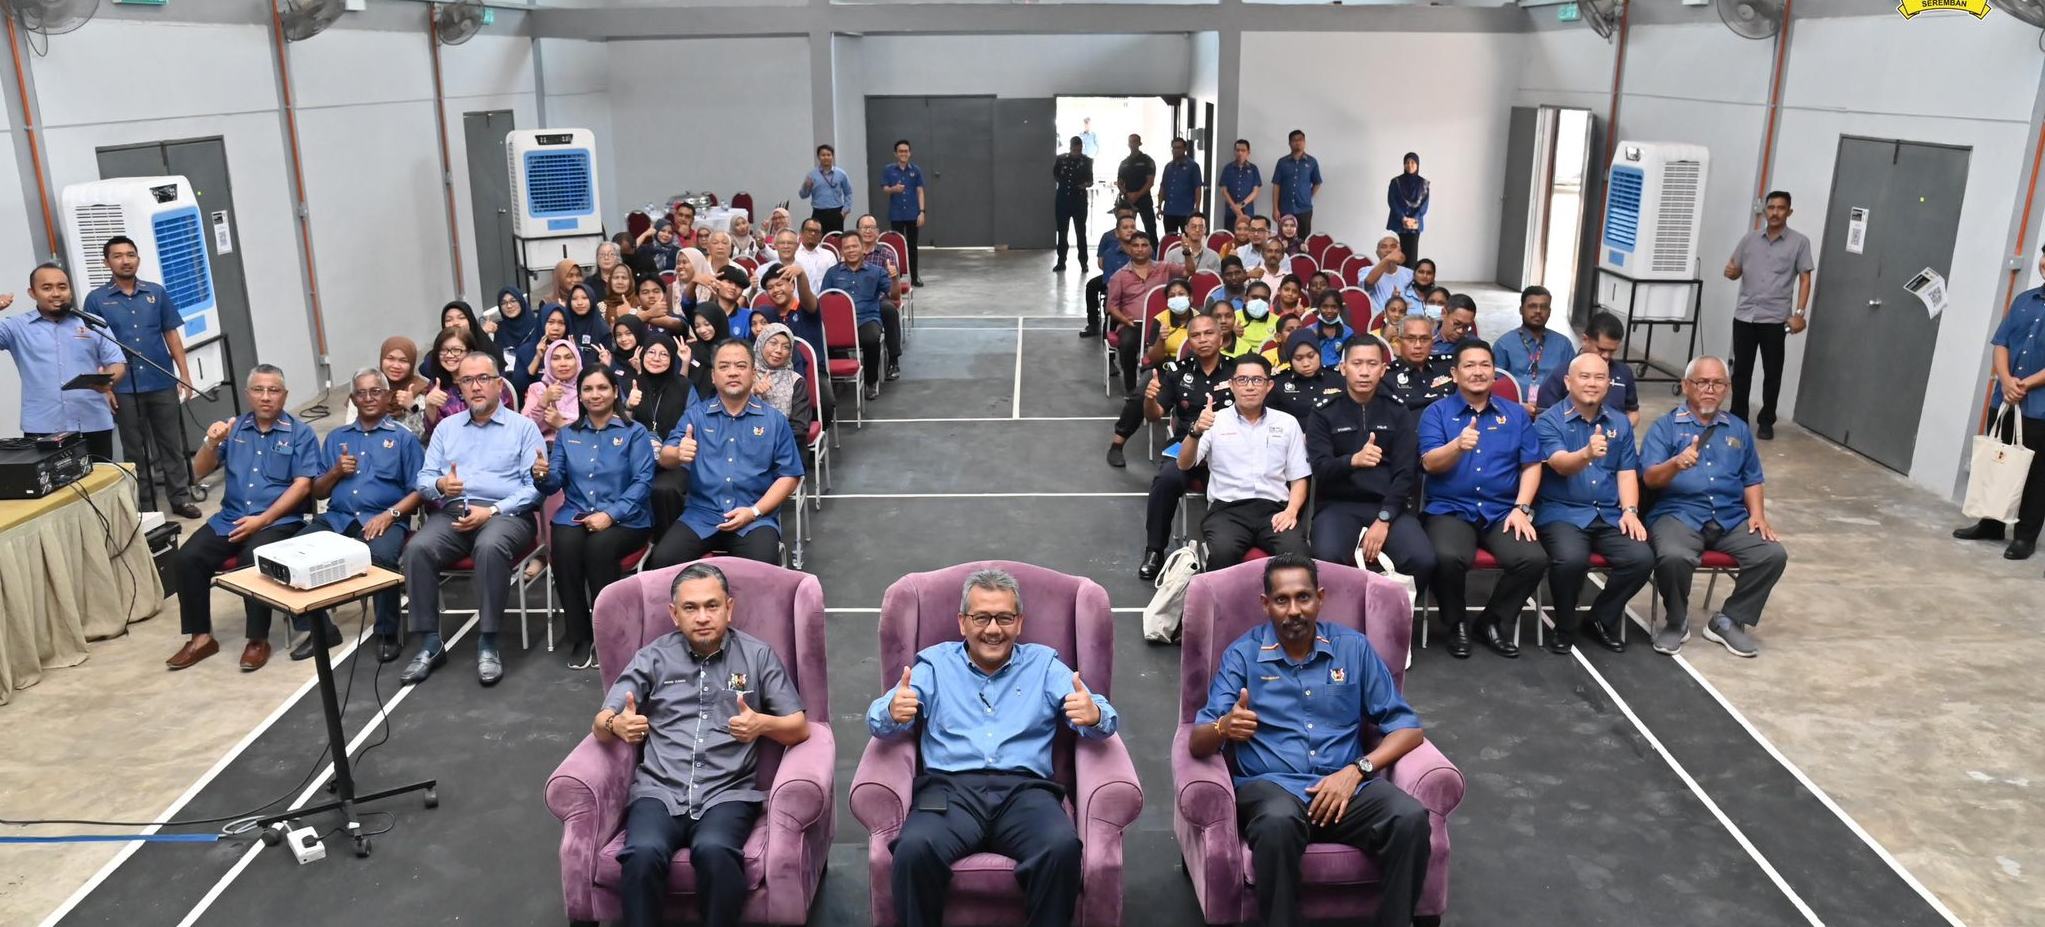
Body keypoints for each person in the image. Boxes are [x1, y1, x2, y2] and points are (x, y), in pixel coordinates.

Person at [1189, 554, 1432, 927]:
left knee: (1410, 818)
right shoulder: (1243, 655)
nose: (1294, 610)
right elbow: (1197, 742)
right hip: (1273, 788)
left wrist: (1358, 770)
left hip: (1346, 787)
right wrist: (1224, 727)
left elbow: (1408, 729)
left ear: (1320, 598)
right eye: (1282, 600)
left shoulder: (1353, 648)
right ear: (1265, 604)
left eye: (1303, 597)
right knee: (1277, 823)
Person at [865, 568, 1117, 927]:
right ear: (963, 622)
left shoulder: (1044, 664)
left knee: (1061, 849)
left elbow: (1102, 714)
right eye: (981, 617)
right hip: (950, 793)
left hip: (1025, 792)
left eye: (1005, 618)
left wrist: (1093, 715)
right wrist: (892, 710)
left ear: (1020, 622)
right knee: (913, 851)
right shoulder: (935, 664)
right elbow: (877, 719)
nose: (993, 629)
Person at [596, 563, 809, 927]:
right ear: (674, 614)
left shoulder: (757, 656)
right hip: (659, 791)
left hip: (726, 793)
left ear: (729, 607)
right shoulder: (653, 657)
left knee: (716, 852)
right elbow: (601, 723)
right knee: (643, 853)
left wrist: (763, 724)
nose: (703, 617)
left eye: (712, 606)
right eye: (691, 608)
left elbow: (800, 726)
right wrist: (617, 724)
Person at [401, 352, 545, 687]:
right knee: (417, 548)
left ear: (499, 384)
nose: (476, 386)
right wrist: (441, 484)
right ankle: (430, 644)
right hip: (455, 511)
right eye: (467, 380)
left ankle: (489, 642)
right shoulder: (446, 428)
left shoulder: (523, 428)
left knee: (489, 546)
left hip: (508, 514)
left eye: (483, 378)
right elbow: (423, 480)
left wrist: (492, 511)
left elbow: (535, 489)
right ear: (459, 387)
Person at [164, 364, 320, 672]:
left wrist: (262, 520)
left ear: (285, 395)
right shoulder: (233, 429)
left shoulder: (300, 434)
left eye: (273, 390)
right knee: (187, 558)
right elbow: (198, 472)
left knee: (253, 558)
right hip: (231, 518)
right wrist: (211, 443)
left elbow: (303, 485)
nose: (266, 397)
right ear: (248, 394)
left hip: (279, 522)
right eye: (259, 390)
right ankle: (200, 637)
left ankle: (257, 640)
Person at [1640, 356, 1788, 658]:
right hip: (1678, 513)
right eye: (1702, 382)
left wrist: (1758, 515)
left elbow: (1752, 479)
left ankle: (1728, 619)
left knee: (1772, 554)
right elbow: (1650, 479)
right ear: (1686, 386)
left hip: (1730, 516)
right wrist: (1675, 463)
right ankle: (1676, 621)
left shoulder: (1738, 429)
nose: (1710, 389)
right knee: (1673, 555)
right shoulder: (1665, 428)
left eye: (1718, 383)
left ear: (1727, 388)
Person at [1419, 339, 1546, 660]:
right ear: (1454, 373)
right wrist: (1456, 446)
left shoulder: (1516, 414)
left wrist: (1521, 508)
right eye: (1469, 365)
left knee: (1532, 559)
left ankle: (1491, 621)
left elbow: (1532, 465)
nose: (1478, 372)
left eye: (1485, 365)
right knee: (1447, 557)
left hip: (1502, 510)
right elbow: (1429, 463)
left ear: (1494, 372)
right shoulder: (1436, 412)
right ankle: (1456, 623)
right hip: (1451, 508)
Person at [538, 366, 657, 670]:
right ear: (579, 395)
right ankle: (580, 635)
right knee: (564, 546)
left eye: (602, 387)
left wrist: (611, 515)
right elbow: (555, 481)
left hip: (628, 518)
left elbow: (643, 482)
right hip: (575, 513)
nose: (595, 395)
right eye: (587, 389)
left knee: (598, 548)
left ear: (615, 392)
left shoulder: (634, 432)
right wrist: (540, 475)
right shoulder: (568, 434)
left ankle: (609, 633)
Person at [1534, 353, 1649, 655]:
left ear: (1608, 384)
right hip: (1562, 512)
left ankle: (1600, 618)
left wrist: (1630, 511)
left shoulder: (1620, 422)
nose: (1592, 383)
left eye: (1600, 377)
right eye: (1584, 376)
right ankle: (1564, 625)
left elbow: (1626, 472)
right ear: (1568, 381)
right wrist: (1586, 453)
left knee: (1641, 558)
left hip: (1609, 513)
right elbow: (1559, 464)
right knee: (1571, 560)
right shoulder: (1549, 420)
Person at [650, 340, 803, 567]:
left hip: (754, 518)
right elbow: (665, 456)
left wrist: (754, 511)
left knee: (761, 567)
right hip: (701, 515)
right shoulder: (696, 416)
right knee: (663, 560)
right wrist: (678, 453)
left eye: (741, 366)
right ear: (713, 376)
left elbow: (789, 476)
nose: (732, 372)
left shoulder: (774, 420)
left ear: (753, 374)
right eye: (724, 366)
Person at [308, 367, 424, 664]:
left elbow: (420, 491)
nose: (369, 398)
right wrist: (336, 471)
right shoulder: (336, 438)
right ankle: (321, 630)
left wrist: (391, 514)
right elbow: (318, 491)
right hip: (338, 518)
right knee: (293, 553)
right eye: (361, 393)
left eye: (375, 391)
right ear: (352, 399)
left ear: (387, 396)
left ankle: (386, 632)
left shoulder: (403, 439)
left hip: (385, 520)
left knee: (380, 557)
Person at [1307, 336, 1434, 587]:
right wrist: (1352, 461)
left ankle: (1387, 609)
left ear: (1383, 369)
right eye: (1357, 364)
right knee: (1326, 560)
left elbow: (1405, 473)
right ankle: (1345, 612)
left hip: (1389, 506)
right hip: (1338, 506)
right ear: (1343, 368)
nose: (1364, 372)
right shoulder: (1324, 412)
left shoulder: (1398, 411)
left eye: (1372, 364)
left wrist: (1385, 518)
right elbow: (1321, 469)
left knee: (1422, 559)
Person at [86, 236, 199, 518]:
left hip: (161, 380)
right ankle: (146, 506)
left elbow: (171, 334)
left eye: (130, 255)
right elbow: (91, 346)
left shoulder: (156, 293)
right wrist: (105, 387)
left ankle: (180, 498)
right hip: (123, 387)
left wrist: (184, 374)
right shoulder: (96, 299)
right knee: (135, 450)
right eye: (117, 256)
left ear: (138, 258)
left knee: (171, 444)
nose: (125, 261)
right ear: (106, 262)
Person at [1954, 245, 2045, 560]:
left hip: (2039, 408)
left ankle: (2025, 538)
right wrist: (2006, 380)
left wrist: (2025, 384)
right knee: (1998, 461)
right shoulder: (2024, 301)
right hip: (2006, 399)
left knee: (2036, 475)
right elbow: (2001, 342)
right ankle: (1991, 524)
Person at [1181, 353, 1310, 568]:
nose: (1250, 386)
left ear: (1269, 386)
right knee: (1223, 553)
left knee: (1298, 557)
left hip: (1274, 510)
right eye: (1242, 380)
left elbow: (1299, 477)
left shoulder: (1287, 423)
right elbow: (1184, 464)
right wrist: (1195, 431)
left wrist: (1291, 511)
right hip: (1227, 511)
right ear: (1231, 385)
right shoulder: (1214, 420)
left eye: (1257, 380)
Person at [1138, 314, 1237, 580]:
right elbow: (1154, 414)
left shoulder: (1238, 371)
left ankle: (1228, 552)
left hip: (1229, 446)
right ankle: (1154, 550)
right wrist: (1149, 399)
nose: (1203, 339)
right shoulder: (1177, 372)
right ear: (1189, 341)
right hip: (1187, 444)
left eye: (1209, 333)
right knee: (1166, 480)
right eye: (1196, 335)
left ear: (1221, 337)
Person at [0, 264, 125, 460]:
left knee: (102, 478)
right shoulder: (16, 327)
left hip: (93, 421)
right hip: (42, 426)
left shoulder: (93, 323)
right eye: (47, 288)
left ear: (70, 291)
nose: (56, 293)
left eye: (62, 287)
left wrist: (109, 380)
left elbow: (117, 362)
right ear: (32, 293)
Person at [1724, 190, 1814, 441]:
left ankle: (1766, 421)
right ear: (1764, 211)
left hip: (1775, 319)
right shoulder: (1749, 240)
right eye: (1771, 208)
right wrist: (1731, 272)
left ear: (1789, 212)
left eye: (1781, 208)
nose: (1775, 213)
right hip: (1745, 316)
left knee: (1772, 372)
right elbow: (1733, 270)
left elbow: (1805, 278)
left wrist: (1799, 313)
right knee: (1741, 371)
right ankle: (1738, 418)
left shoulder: (1800, 242)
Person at [1105, 279, 1199, 468]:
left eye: (1181, 294)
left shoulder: (1201, 319)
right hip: (1163, 368)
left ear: (1190, 297)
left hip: (1192, 369)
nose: (1177, 298)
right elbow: (1153, 357)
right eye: (1172, 295)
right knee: (1140, 396)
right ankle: (1117, 444)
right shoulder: (1160, 319)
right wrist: (1162, 341)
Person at [822, 234, 904, 399]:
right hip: (840, 322)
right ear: (842, 251)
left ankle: (870, 382)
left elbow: (894, 296)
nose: (851, 250)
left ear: (862, 248)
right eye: (847, 247)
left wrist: (895, 279)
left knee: (871, 337)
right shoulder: (832, 273)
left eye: (855, 246)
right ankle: (837, 381)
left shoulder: (877, 271)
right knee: (823, 336)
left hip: (867, 319)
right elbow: (824, 299)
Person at [1536, 311, 1639, 428]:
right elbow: (1542, 416)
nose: (1606, 356)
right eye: (1601, 349)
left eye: (1612, 351)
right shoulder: (1561, 373)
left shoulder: (1624, 373)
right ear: (1585, 340)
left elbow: (1633, 412)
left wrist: (1620, 432)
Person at [1106, 230, 1171, 395]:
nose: (1140, 249)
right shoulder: (1119, 276)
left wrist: (1187, 252)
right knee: (1127, 343)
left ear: (1151, 248)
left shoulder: (1164, 268)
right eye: (1135, 245)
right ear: (1129, 249)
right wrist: (1123, 319)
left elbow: (1188, 272)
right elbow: (1112, 306)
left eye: (1144, 245)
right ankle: (1132, 390)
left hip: (1161, 324)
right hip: (1133, 324)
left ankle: (1165, 388)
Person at [1492, 285, 1574, 412]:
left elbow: (1575, 382)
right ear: (1521, 310)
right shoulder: (1504, 344)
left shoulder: (1563, 344)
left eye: (1544, 307)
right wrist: (1517, 407)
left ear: (1550, 312)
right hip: (1514, 410)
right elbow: (1494, 386)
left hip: (1555, 412)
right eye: (1532, 306)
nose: (1538, 311)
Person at [751, 323, 816, 444]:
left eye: (786, 347)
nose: (778, 350)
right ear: (761, 343)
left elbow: (800, 427)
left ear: (790, 352)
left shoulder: (796, 381)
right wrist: (752, 392)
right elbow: (731, 413)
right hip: (748, 443)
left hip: (786, 445)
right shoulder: (745, 376)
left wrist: (772, 444)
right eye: (773, 343)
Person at [1081, 210, 1137, 339]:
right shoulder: (1109, 246)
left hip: (1138, 292)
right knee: (1092, 285)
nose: (1129, 230)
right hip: (1116, 287)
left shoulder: (1144, 248)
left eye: (1132, 227)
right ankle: (1093, 324)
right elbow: (1106, 272)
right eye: (1125, 227)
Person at [1268, 327, 1342, 423]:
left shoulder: (1337, 379)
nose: (1306, 364)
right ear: (1290, 359)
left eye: (1311, 356)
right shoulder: (1278, 384)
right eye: (1298, 358)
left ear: (1319, 353)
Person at [368, 335, 432, 441]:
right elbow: (353, 429)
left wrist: (412, 407)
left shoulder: (420, 389)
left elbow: (420, 437)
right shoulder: (368, 387)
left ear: (412, 363)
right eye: (390, 359)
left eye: (403, 361)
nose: (396, 366)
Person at [881, 139, 927, 286]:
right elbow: (885, 189)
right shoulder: (889, 169)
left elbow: (920, 191)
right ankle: (898, 277)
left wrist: (922, 212)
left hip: (913, 213)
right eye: (900, 151)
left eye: (906, 151)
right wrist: (894, 189)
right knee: (897, 246)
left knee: (912, 246)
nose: (903, 154)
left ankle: (914, 277)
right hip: (897, 214)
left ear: (910, 153)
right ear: (895, 153)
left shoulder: (916, 170)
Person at [1386, 316, 1454, 412]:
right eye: (1410, 339)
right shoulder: (1388, 376)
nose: (1418, 345)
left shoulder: (1448, 367)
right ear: (1399, 341)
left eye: (1424, 339)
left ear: (1432, 342)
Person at [524, 339, 582, 440]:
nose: (563, 363)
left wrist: (562, 425)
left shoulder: (587, 389)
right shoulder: (538, 389)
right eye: (556, 358)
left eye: (568, 357)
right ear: (548, 363)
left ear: (577, 360)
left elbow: (597, 430)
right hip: (546, 447)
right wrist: (544, 401)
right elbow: (524, 430)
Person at [1052, 135, 1094, 274]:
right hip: (1063, 200)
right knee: (1062, 232)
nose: (1077, 152)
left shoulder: (1086, 161)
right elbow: (1056, 175)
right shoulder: (1061, 159)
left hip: (1079, 201)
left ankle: (1083, 262)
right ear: (1070, 148)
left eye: (1079, 150)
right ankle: (1061, 261)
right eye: (1074, 150)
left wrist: (1085, 185)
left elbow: (1090, 179)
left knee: (1080, 232)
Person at [1271, 130, 1323, 238]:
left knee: (1304, 241)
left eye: (1300, 140)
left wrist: (1308, 196)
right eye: (1294, 140)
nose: (1298, 142)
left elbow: (1317, 183)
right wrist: (1275, 208)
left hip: (1304, 209)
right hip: (1285, 209)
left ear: (1304, 142)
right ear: (1289, 143)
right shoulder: (1282, 162)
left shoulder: (1312, 162)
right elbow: (1276, 185)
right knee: (1284, 240)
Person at [495, 286, 542, 396]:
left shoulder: (536, 325)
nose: (509, 306)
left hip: (536, 387)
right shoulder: (498, 329)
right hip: (507, 389)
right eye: (504, 303)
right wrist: (484, 333)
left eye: (513, 301)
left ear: (521, 301)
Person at [1362, 236, 1421, 319]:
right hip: (1379, 321)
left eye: (1393, 246)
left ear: (1400, 251)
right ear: (1377, 253)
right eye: (1383, 247)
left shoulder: (1410, 274)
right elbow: (1369, 282)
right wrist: (1388, 259)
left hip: (1405, 320)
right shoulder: (1366, 270)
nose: (1388, 250)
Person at [800, 143, 853, 234]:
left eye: (828, 155)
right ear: (818, 157)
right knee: (817, 238)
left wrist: (845, 211)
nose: (826, 157)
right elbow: (803, 195)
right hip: (818, 213)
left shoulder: (841, 174)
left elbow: (848, 193)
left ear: (832, 156)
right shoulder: (812, 175)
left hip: (836, 212)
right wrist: (806, 186)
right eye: (823, 155)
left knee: (836, 238)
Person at [1387, 153, 1430, 261]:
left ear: (1417, 164)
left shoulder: (1423, 184)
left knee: (1411, 260)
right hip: (1397, 225)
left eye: (1413, 162)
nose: (1409, 165)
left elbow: (1424, 205)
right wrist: (1403, 218)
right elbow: (1392, 201)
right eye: (1407, 162)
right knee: (1395, 259)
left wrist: (1414, 219)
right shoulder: (1395, 182)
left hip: (1414, 227)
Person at [1159, 137, 1204, 237]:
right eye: (1174, 148)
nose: (1176, 150)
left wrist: (1197, 208)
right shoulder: (1168, 167)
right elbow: (1163, 187)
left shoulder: (1193, 166)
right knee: (1170, 239)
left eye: (1179, 147)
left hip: (1186, 212)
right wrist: (1159, 206)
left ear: (1185, 149)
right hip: (1169, 211)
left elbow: (1197, 187)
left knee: (1188, 238)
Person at [1117, 133, 1159, 243]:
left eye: (1135, 141)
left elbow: (1150, 182)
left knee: (1150, 230)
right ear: (1128, 144)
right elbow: (1120, 183)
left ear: (1140, 143)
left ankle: (1154, 252)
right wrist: (1127, 194)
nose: (1133, 144)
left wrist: (1137, 195)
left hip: (1144, 199)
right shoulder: (1124, 163)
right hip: (1129, 201)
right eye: (1131, 141)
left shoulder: (1147, 160)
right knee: (1126, 231)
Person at [1163, 212, 1221, 278]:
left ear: (1205, 230)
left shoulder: (1214, 257)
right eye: (1193, 226)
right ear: (1186, 228)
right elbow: (1167, 280)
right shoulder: (1172, 255)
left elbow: (1216, 282)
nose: (1197, 230)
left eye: (1201, 227)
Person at [1305, 291, 1353, 369]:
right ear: (1319, 308)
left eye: (1334, 307)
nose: (1329, 311)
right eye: (1325, 307)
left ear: (1340, 309)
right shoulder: (1309, 331)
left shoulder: (1348, 333)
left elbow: (1349, 359)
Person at [793, 220, 836, 294]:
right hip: (796, 297)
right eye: (809, 230)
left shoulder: (829, 256)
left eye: (816, 231)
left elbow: (834, 281)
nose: (813, 233)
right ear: (801, 232)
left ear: (821, 235)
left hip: (822, 298)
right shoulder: (793, 254)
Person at [1236, 280, 1280, 351]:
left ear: (1269, 302)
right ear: (1245, 299)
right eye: (1254, 297)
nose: (1259, 302)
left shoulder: (1278, 321)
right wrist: (1231, 335)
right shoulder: (1233, 318)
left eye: (1264, 299)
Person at [1432, 296, 1478, 362]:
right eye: (1456, 323)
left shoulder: (1475, 346)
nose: (1460, 331)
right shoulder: (1426, 341)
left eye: (1466, 326)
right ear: (1444, 313)